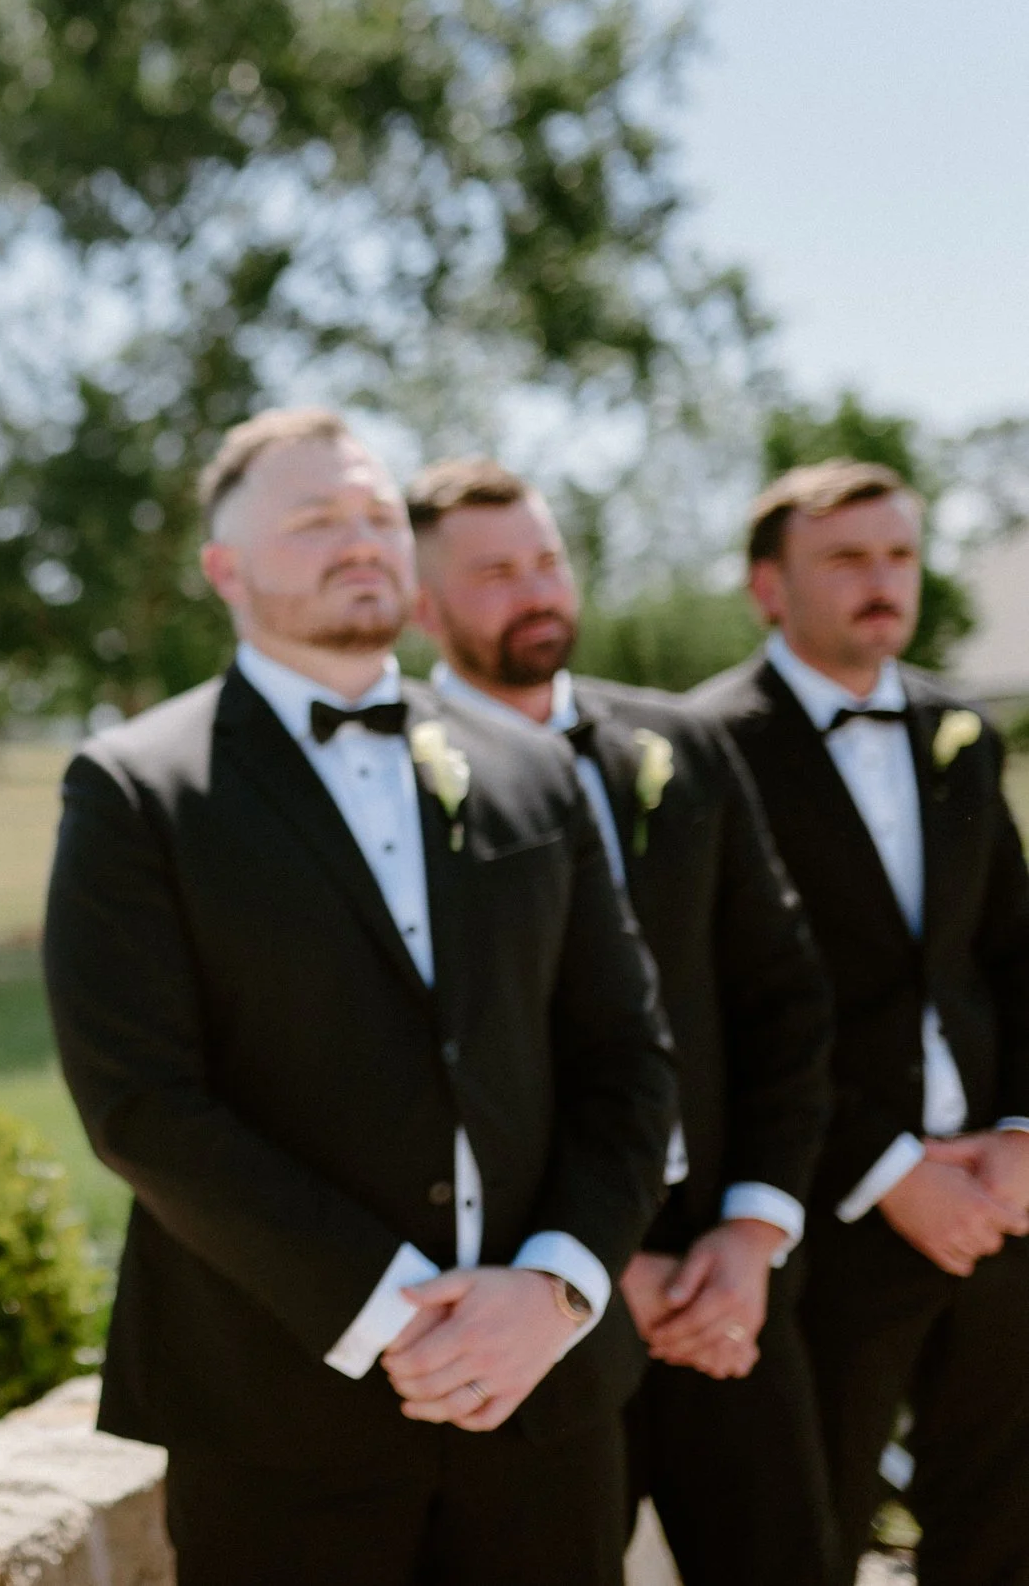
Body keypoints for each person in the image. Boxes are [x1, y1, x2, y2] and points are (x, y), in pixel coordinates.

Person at [45, 408, 675, 1585]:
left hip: (544, 1407)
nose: (361, 538)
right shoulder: (134, 791)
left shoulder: (536, 771)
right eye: (316, 518)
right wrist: (397, 1312)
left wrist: (556, 1283)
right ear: (223, 569)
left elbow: (628, 1059)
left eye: (379, 514)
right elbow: (140, 1102)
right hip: (277, 1414)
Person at [409, 457, 836, 1582]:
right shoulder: (395, 787)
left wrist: (749, 1236)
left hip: (725, 1294)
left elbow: (783, 999)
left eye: (547, 559)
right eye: (495, 572)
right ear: (420, 603)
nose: (536, 588)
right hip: (530, 1311)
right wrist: (593, 1268)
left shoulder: (683, 747)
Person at [693, 460, 1029, 1586]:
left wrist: (1020, 1136)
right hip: (822, 1221)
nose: (881, 580)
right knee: (806, 1533)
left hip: (996, 1206)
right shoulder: (704, 749)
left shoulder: (958, 728)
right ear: (766, 587)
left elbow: (1011, 956)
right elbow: (718, 1011)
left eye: (897, 554)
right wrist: (887, 1167)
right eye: (845, 557)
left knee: (1001, 1515)